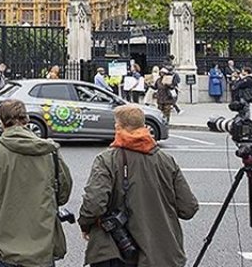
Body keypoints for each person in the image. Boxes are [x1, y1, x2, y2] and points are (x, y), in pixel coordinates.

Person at [78, 104, 199, 267]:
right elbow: (188, 208)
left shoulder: (107, 160)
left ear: (118, 127)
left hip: (116, 251)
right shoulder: (166, 160)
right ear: (144, 126)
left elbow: (94, 203)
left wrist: (86, 225)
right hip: (162, 253)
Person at [0, 98, 73, 267]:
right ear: (26, 119)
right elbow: (63, 194)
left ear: (2, 121)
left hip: (2, 246)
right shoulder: (50, 153)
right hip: (41, 248)